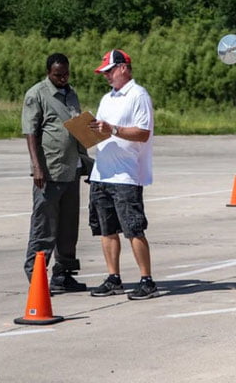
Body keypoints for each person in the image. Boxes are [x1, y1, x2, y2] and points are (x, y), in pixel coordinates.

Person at [86, 49, 160, 300]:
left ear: (123, 68)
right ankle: (113, 277)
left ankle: (147, 280)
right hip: (102, 172)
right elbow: (102, 128)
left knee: (133, 229)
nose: (106, 76)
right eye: (104, 72)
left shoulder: (138, 95)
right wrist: (90, 130)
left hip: (126, 175)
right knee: (106, 230)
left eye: (109, 71)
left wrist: (113, 129)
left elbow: (143, 133)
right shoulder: (108, 98)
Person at [21, 53, 89, 293]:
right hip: (49, 172)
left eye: (66, 74)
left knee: (68, 228)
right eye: (58, 75)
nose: (62, 78)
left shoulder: (71, 93)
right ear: (48, 72)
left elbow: (76, 128)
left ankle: (64, 275)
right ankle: (36, 277)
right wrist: (36, 166)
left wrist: (86, 163)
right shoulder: (37, 94)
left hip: (71, 171)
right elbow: (30, 132)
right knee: (44, 227)